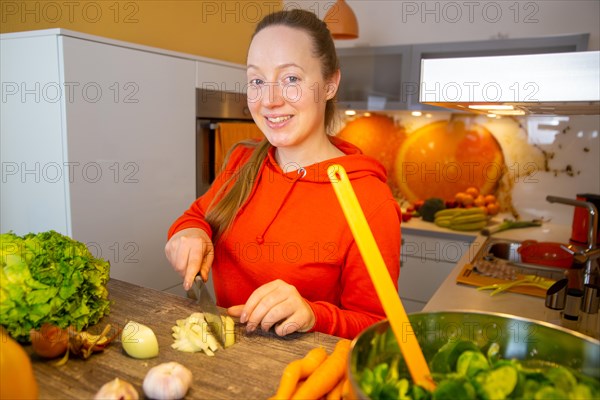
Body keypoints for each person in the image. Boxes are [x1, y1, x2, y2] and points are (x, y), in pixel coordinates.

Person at [165, 9, 401, 340]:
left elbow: (379, 329)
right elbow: (196, 216)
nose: (270, 100)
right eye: (257, 81)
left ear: (330, 83)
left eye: (291, 79)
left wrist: (311, 314)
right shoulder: (243, 161)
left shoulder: (369, 201)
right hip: (229, 364)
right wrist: (189, 234)